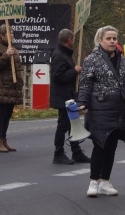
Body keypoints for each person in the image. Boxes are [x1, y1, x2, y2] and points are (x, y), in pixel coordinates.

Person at [77, 26, 125, 197]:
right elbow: (86, 83)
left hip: (119, 110)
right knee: (100, 144)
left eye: (114, 38)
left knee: (111, 145)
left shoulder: (123, 60)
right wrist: (82, 102)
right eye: (108, 38)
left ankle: (105, 181)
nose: (112, 41)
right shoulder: (91, 60)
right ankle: (93, 181)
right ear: (100, 40)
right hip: (99, 108)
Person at [50, 28, 91, 165]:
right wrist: (74, 71)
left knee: (73, 124)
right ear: (69, 40)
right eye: (73, 39)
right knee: (63, 125)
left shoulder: (65, 54)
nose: (74, 41)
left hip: (68, 95)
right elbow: (58, 77)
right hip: (62, 97)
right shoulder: (59, 55)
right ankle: (58, 153)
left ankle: (76, 151)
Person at [0, 24, 23, 153]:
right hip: (1, 87)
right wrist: (6, 56)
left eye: (12, 33)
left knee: (8, 115)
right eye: (9, 33)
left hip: (11, 88)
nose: (12, 35)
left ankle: (4, 139)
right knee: (1, 115)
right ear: (1, 36)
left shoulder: (12, 48)